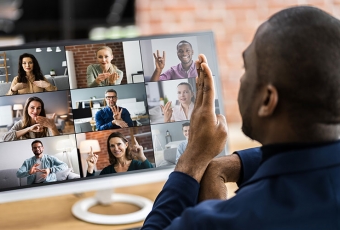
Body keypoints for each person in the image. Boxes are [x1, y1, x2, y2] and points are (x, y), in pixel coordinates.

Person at [143, 6, 340, 229]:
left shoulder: (224, 220)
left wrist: (193, 159)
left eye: (246, 68)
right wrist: (238, 164)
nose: (241, 80)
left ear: (267, 101)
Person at [86, 132, 153, 176]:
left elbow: (154, 175)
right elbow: (92, 187)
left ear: (126, 145)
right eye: (112, 146)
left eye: (119, 144)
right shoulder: (107, 171)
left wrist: (142, 156)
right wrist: (90, 167)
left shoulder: (137, 165)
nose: (116, 148)